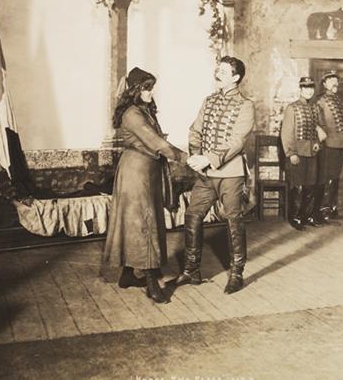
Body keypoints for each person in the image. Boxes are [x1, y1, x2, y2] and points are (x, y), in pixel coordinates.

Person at [103, 67, 185, 304]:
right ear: (136, 90)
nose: (151, 93)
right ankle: (151, 284)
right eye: (147, 89)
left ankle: (128, 275)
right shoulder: (132, 114)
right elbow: (155, 141)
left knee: (135, 221)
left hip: (145, 171)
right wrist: (183, 157)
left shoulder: (142, 110)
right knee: (144, 223)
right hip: (136, 173)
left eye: (151, 88)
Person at [174, 56, 255, 294]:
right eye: (217, 69)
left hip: (230, 174)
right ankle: (191, 270)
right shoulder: (209, 101)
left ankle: (237, 273)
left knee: (233, 220)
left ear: (236, 77)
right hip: (206, 174)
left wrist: (208, 158)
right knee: (192, 215)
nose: (217, 73)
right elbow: (195, 130)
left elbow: (237, 141)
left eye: (223, 71)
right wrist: (197, 157)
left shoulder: (245, 105)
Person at [280, 76, 327, 230]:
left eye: (311, 88)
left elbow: (319, 130)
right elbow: (286, 133)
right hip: (297, 153)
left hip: (312, 153)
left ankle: (305, 216)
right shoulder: (292, 108)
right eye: (305, 88)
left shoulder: (315, 108)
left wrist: (317, 143)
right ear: (300, 89)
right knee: (297, 187)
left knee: (310, 186)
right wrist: (291, 153)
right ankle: (294, 217)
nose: (309, 91)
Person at [314, 70, 343, 222]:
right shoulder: (320, 101)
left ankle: (333, 209)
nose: (335, 83)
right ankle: (324, 211)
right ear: (324, 84)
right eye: (331, 81)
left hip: (341, 144)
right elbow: (315, 121)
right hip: (328, 145)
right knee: (327, 178)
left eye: (336, 80)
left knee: (335, 178)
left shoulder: (339, 101)